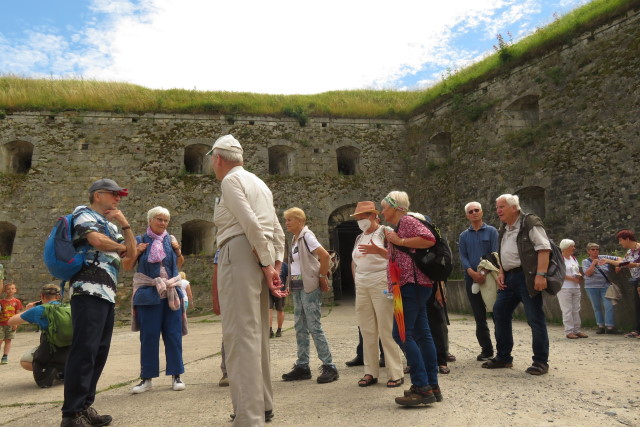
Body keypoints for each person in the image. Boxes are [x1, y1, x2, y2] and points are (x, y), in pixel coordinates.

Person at [210, 134, 285, 426]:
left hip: (240, 254)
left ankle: (248, 416)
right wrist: (274, 263)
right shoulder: (260, 183)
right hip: (258, 254)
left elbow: (249, 222)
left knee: (240, 336)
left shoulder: (230, 181)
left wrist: (267, 265)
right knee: (257, 336)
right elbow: (276, 228)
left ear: (218, 159)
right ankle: (263, 405)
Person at [61, 178, 137, 427]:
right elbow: (95, 240)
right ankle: (71, 414)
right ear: (97, 195)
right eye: (113, 194)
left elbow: (130, 260)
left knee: (98, 352)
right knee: (84, 350)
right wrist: (121, 247)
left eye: (120, 195)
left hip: (107, 294)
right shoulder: (83, 214)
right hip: (88, 291)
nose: (118, 199)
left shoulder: (111, 226)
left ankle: (85, 406)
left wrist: (125, 226)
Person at [380, 191, 441, 406]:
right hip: (412, 286)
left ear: (396, 207)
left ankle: (421, 386)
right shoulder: (400, 225)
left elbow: (429, 239)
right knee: (422, 334)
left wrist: (400, 240)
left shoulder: (405, 221)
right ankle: (431, 385)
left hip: (408, 286)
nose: (382, 211)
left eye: (385, 207)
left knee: (402, 334)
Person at [483, 194, 551, 376]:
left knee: (534, 318)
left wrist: (541, 275)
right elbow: (504, 253)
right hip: (510, 278)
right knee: (499, 312)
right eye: (497, 207)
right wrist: (501, 272)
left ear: (514, 207)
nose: (498, 210)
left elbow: (544, 249)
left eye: (502, 206)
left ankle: (540, 362)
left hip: (527, 276)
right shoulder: (504, 227)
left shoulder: (529, 223)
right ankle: (504, 357)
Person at [125, 206, 186, 394]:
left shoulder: (172, 240)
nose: (163, 223)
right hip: (148, 294)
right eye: (159, 219)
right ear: (150, 220)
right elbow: (127, 266)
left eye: (166, 220)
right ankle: (146, 379)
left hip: (171, 292)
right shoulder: (139, 240)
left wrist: (178, 252)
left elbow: (179, 264)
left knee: (173, 335)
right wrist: (136, 251)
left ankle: (177, 376)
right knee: (149, 337)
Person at [281, 207, 339, 384]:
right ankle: (303, 365)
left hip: (309, 286)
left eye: (290, 219)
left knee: (314, 325)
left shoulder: (307, 236)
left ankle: (329, 365)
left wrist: (322, 277)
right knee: (299, 326)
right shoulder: (295, 239)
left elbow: (324, 256)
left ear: (300, 220)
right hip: (299, 286)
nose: (287, 223)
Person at [350, 201, 403, 388]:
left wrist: (378, 250)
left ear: (373, 216)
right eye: (357, 218)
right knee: (367, 330)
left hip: (381, 280)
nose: (359, 220)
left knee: (386, 329)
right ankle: (370, 372)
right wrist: (356, 279)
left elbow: (396, 256)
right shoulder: (358, 237)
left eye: (362, 217)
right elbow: (354, 261)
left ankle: (395, 372)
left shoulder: (385, 232)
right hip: (362, 283)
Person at [8, 284, 71, 387]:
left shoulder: (39, 309)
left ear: (42, 296)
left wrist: (28, 309)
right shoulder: (68, 308)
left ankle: (54, 370)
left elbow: (11, 321)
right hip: (72, 352)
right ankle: (65, 370)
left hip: (51, 352)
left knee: (24, 361)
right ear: (58, 296)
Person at [458, 201, 498, 361]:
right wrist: (472, 273)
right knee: (479, 316)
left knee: (497, 314)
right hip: (471, 279)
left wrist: (482, 272)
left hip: (491, 278)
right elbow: (463, 256)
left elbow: (495, 253)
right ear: (467, 215)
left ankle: (502, 350)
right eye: (471, 211)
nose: (474, 213)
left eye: (477, 210)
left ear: (482, 212)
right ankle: (486, 349)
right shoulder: (463, 236)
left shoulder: (492, 232)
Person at [600, 230, 640, 337]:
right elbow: (624, 263)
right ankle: (638, 330)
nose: (620, 243)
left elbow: (632, 264)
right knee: (638, 305)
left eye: (621, 240)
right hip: (636, 280)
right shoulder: (629, 252)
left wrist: (630, 265)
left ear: (627, 239)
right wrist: (612, 262)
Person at [582, 243, 619, 334]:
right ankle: (601, 326)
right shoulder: (585, 261)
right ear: (588, 251)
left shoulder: (603, 257)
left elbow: (619, 259)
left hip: (604, 286)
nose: (595, 251)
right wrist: (593, 264)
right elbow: (587, 274)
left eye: (597, 249)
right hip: (591, 287)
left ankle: (610, 326)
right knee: (597, 307)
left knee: (609, 305)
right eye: (593, 249)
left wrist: (617, 265)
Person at [557, 239, 588, 339]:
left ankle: (577, 330)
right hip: (564, 287)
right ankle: (569, 331)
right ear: (565, 247)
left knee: (576, 309)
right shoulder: (560, 259)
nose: (574, 248)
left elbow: (576, 270)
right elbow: (559, 273)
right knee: (567, 310)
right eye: (572, 246)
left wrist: (579, 277)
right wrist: (572, 279)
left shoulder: (573, 258)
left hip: (575, 287)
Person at [211, 249, 229, 387]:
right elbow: (216, 274)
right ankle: (227, 372)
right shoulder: (222, 247)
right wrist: (216, 299)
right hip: (229, 294)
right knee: (229, 334)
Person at [1, 282, 23, 365]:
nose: (10, 290)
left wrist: (16, 323)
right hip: (1, 324)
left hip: (11, 324)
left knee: (8, 340)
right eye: (8, 289)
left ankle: (5, 356)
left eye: (12, 288)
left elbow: (17, 313)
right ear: (5, 291)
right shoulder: (1, 301)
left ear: (15, 290)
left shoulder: (17, 302)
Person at [270, 262, 288, 338]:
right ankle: (272, 330)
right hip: (272, 289)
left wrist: (288, 287)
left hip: (279, 289)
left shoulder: (283, 265)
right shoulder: (268, 263)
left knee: (279, 309)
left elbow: (288, 276)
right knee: (270, 309)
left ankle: (277, 330)